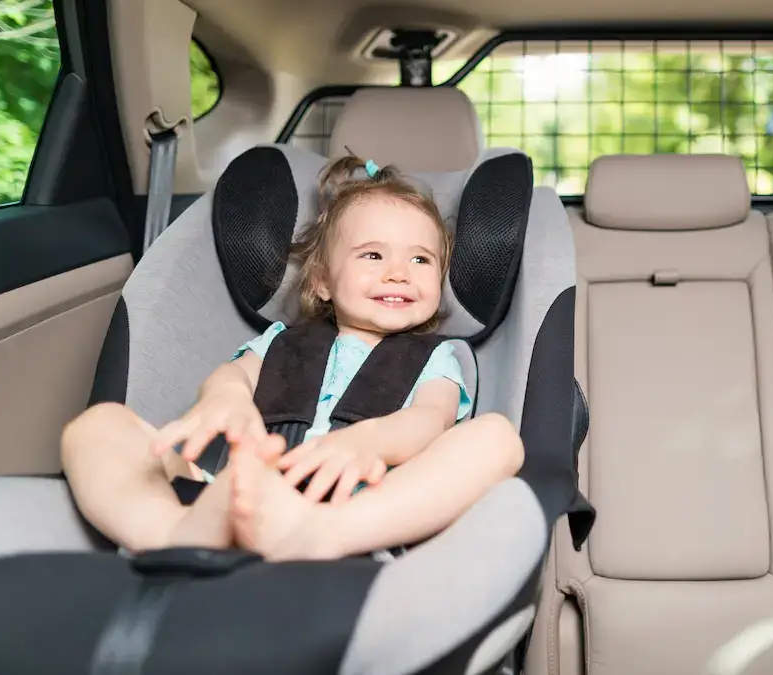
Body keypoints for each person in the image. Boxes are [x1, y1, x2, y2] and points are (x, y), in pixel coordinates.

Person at [60, 156, 524, 562]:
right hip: (236, 491)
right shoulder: (281, 342)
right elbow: (234, 376)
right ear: (321, 281)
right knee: (98, 426)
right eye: (374, 255)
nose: (399, 273)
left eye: (422, 261)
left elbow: (431, 418)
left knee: (498, 439)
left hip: (358, 503)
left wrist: (373, 442)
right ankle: (170, 532)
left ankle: (320, 535)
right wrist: (226, 400)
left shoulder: (438, 357)